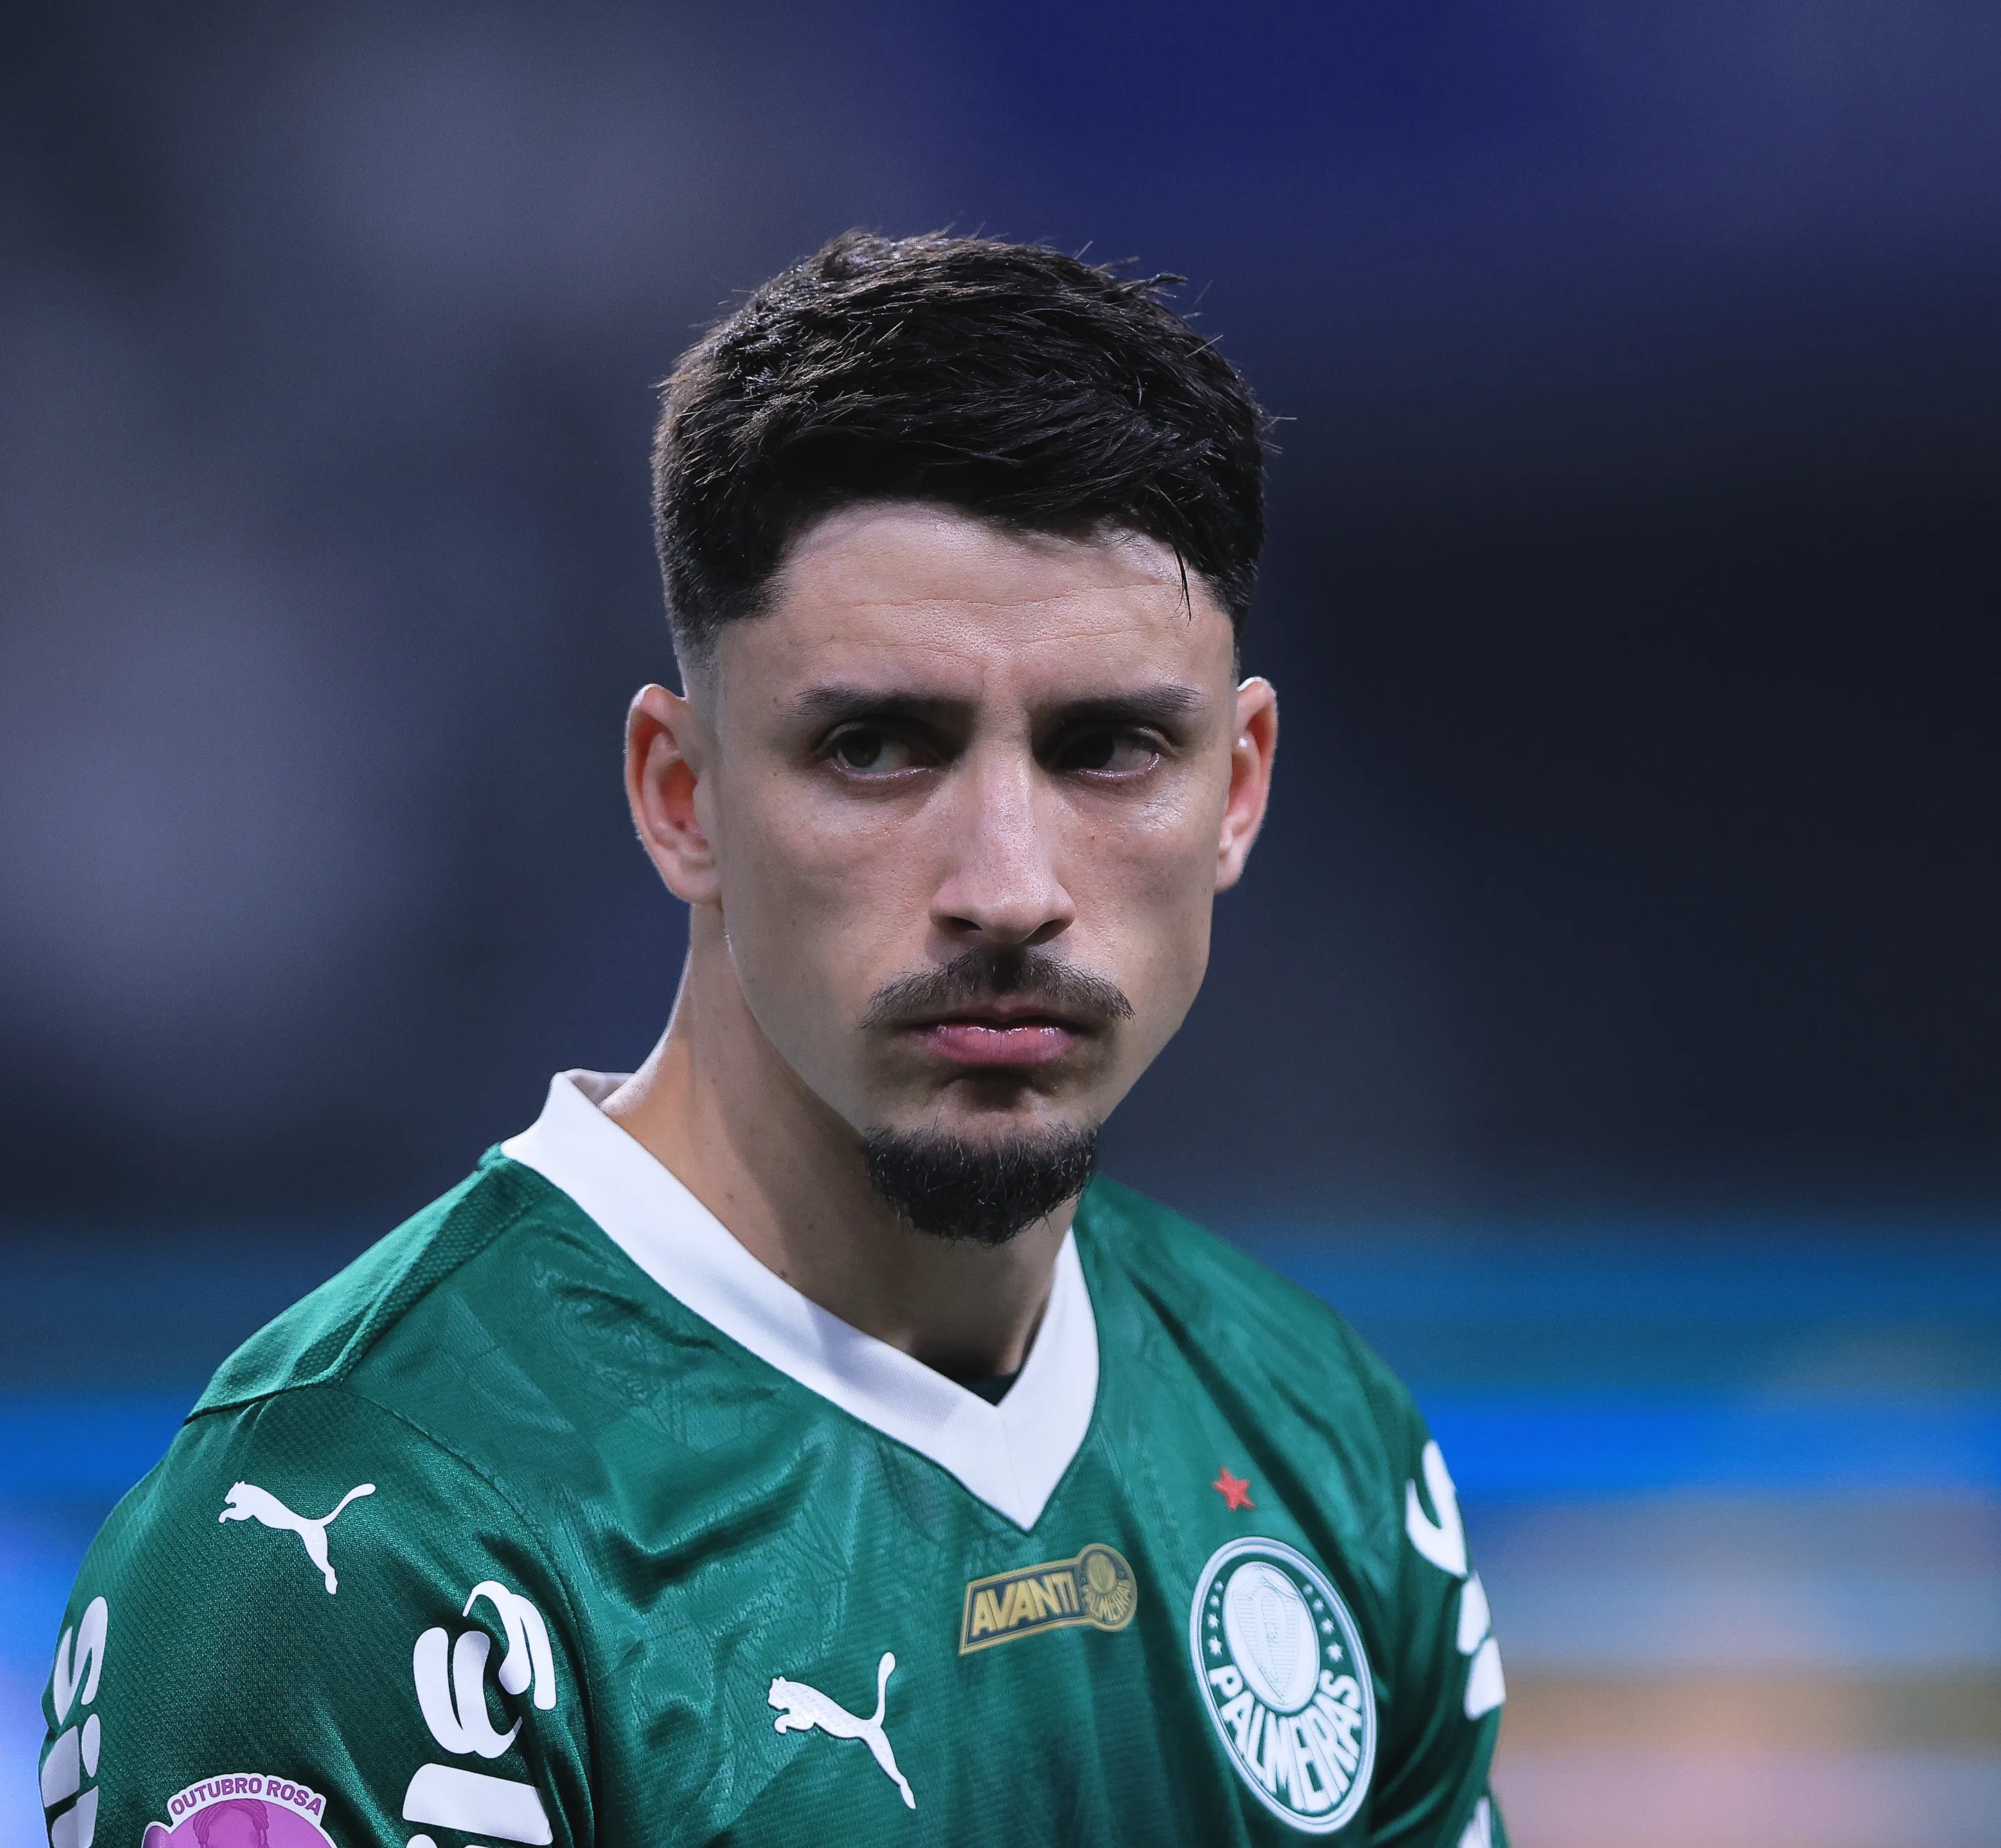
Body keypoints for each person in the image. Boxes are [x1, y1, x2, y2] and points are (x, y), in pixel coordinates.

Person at [40, 233, 1506, 1848]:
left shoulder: (1316, 1437)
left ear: (1237, 788)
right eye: (877, 746)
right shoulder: (355, 1540)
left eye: (1108, 748)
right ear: (683, 796)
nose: (1008, 887)